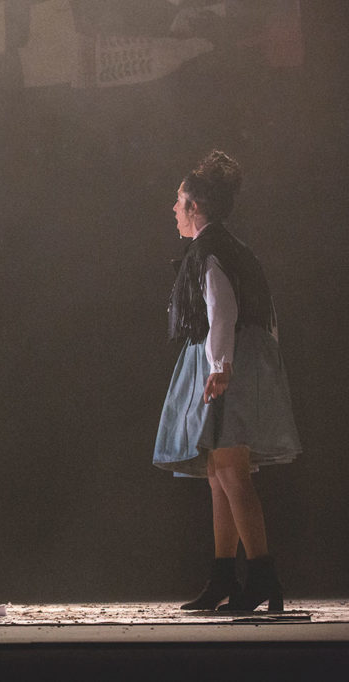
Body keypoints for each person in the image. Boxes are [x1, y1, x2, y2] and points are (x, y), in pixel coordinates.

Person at [153, 151, 301, 612]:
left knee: (231, 471)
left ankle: (262, 576)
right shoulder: (231, 248)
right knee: (219, 473)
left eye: (179, 201)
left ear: (195, 206)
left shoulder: (209, 250)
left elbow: (223, 309)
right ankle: (224, 576)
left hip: (227, 359)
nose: (174, 209)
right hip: (240, 358)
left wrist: (220, 365)